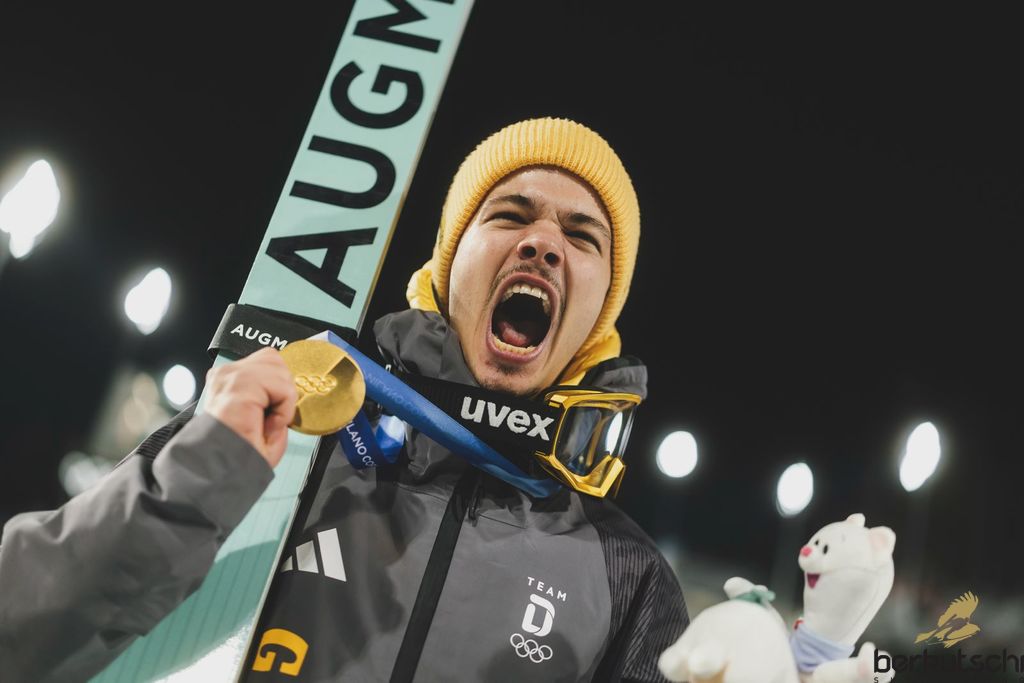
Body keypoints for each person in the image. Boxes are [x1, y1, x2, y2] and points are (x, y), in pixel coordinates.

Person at [0, 118, 688, 681]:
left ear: (601, 311)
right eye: (510, 215)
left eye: (581, 235)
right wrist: (190, 481)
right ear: (449, 262)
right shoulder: (281, 437)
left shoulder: (627, 578)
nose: (541, 244)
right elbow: (19, 635)